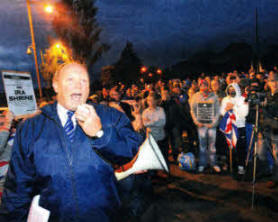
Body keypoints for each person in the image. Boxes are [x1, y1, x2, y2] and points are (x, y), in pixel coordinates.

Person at [0, 62, 143, 222]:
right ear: (55, 86)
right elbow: (17, 190)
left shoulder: (110, 116)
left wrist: (100, 134)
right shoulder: (30, 128)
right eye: (70, 80)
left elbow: (130, 150)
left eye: (84, 81)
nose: (78, 86)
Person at [190, 80, 221, 173]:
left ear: (208, 86)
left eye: (205, 85)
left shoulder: (214, 96)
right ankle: (202, 164)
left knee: (212, 146)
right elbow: (192, 110)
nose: (203, 87)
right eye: (202, 85)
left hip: (211, 125)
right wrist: (196, 121)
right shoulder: (195, 96)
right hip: (201, 125)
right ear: (199, 86)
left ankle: (213, 163)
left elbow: (217, 111)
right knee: (202, 146)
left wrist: (214, 123)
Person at [220, 83, 249, 175]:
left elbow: (244, 113)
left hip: (240, 126)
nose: (231, 90)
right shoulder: (225, 99)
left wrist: (233, 107)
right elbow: (222, 112)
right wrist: (227, 109)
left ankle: (241, 166)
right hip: (229, 127)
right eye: (230, 89)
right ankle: (230, 164)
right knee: (228, 147)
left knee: (240, 147)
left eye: (233, 89)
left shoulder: (242, 99)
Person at [258, 72, 278, 188]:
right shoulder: (266, 95)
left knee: (277, 154)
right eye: (272, 81)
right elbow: (261, 113)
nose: (274, 83)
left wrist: (267, 108)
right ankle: (267, 171)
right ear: (268, 83)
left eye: (276, 81)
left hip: (276, 129)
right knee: (260, 153)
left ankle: (275, 178)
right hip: (266, 128)